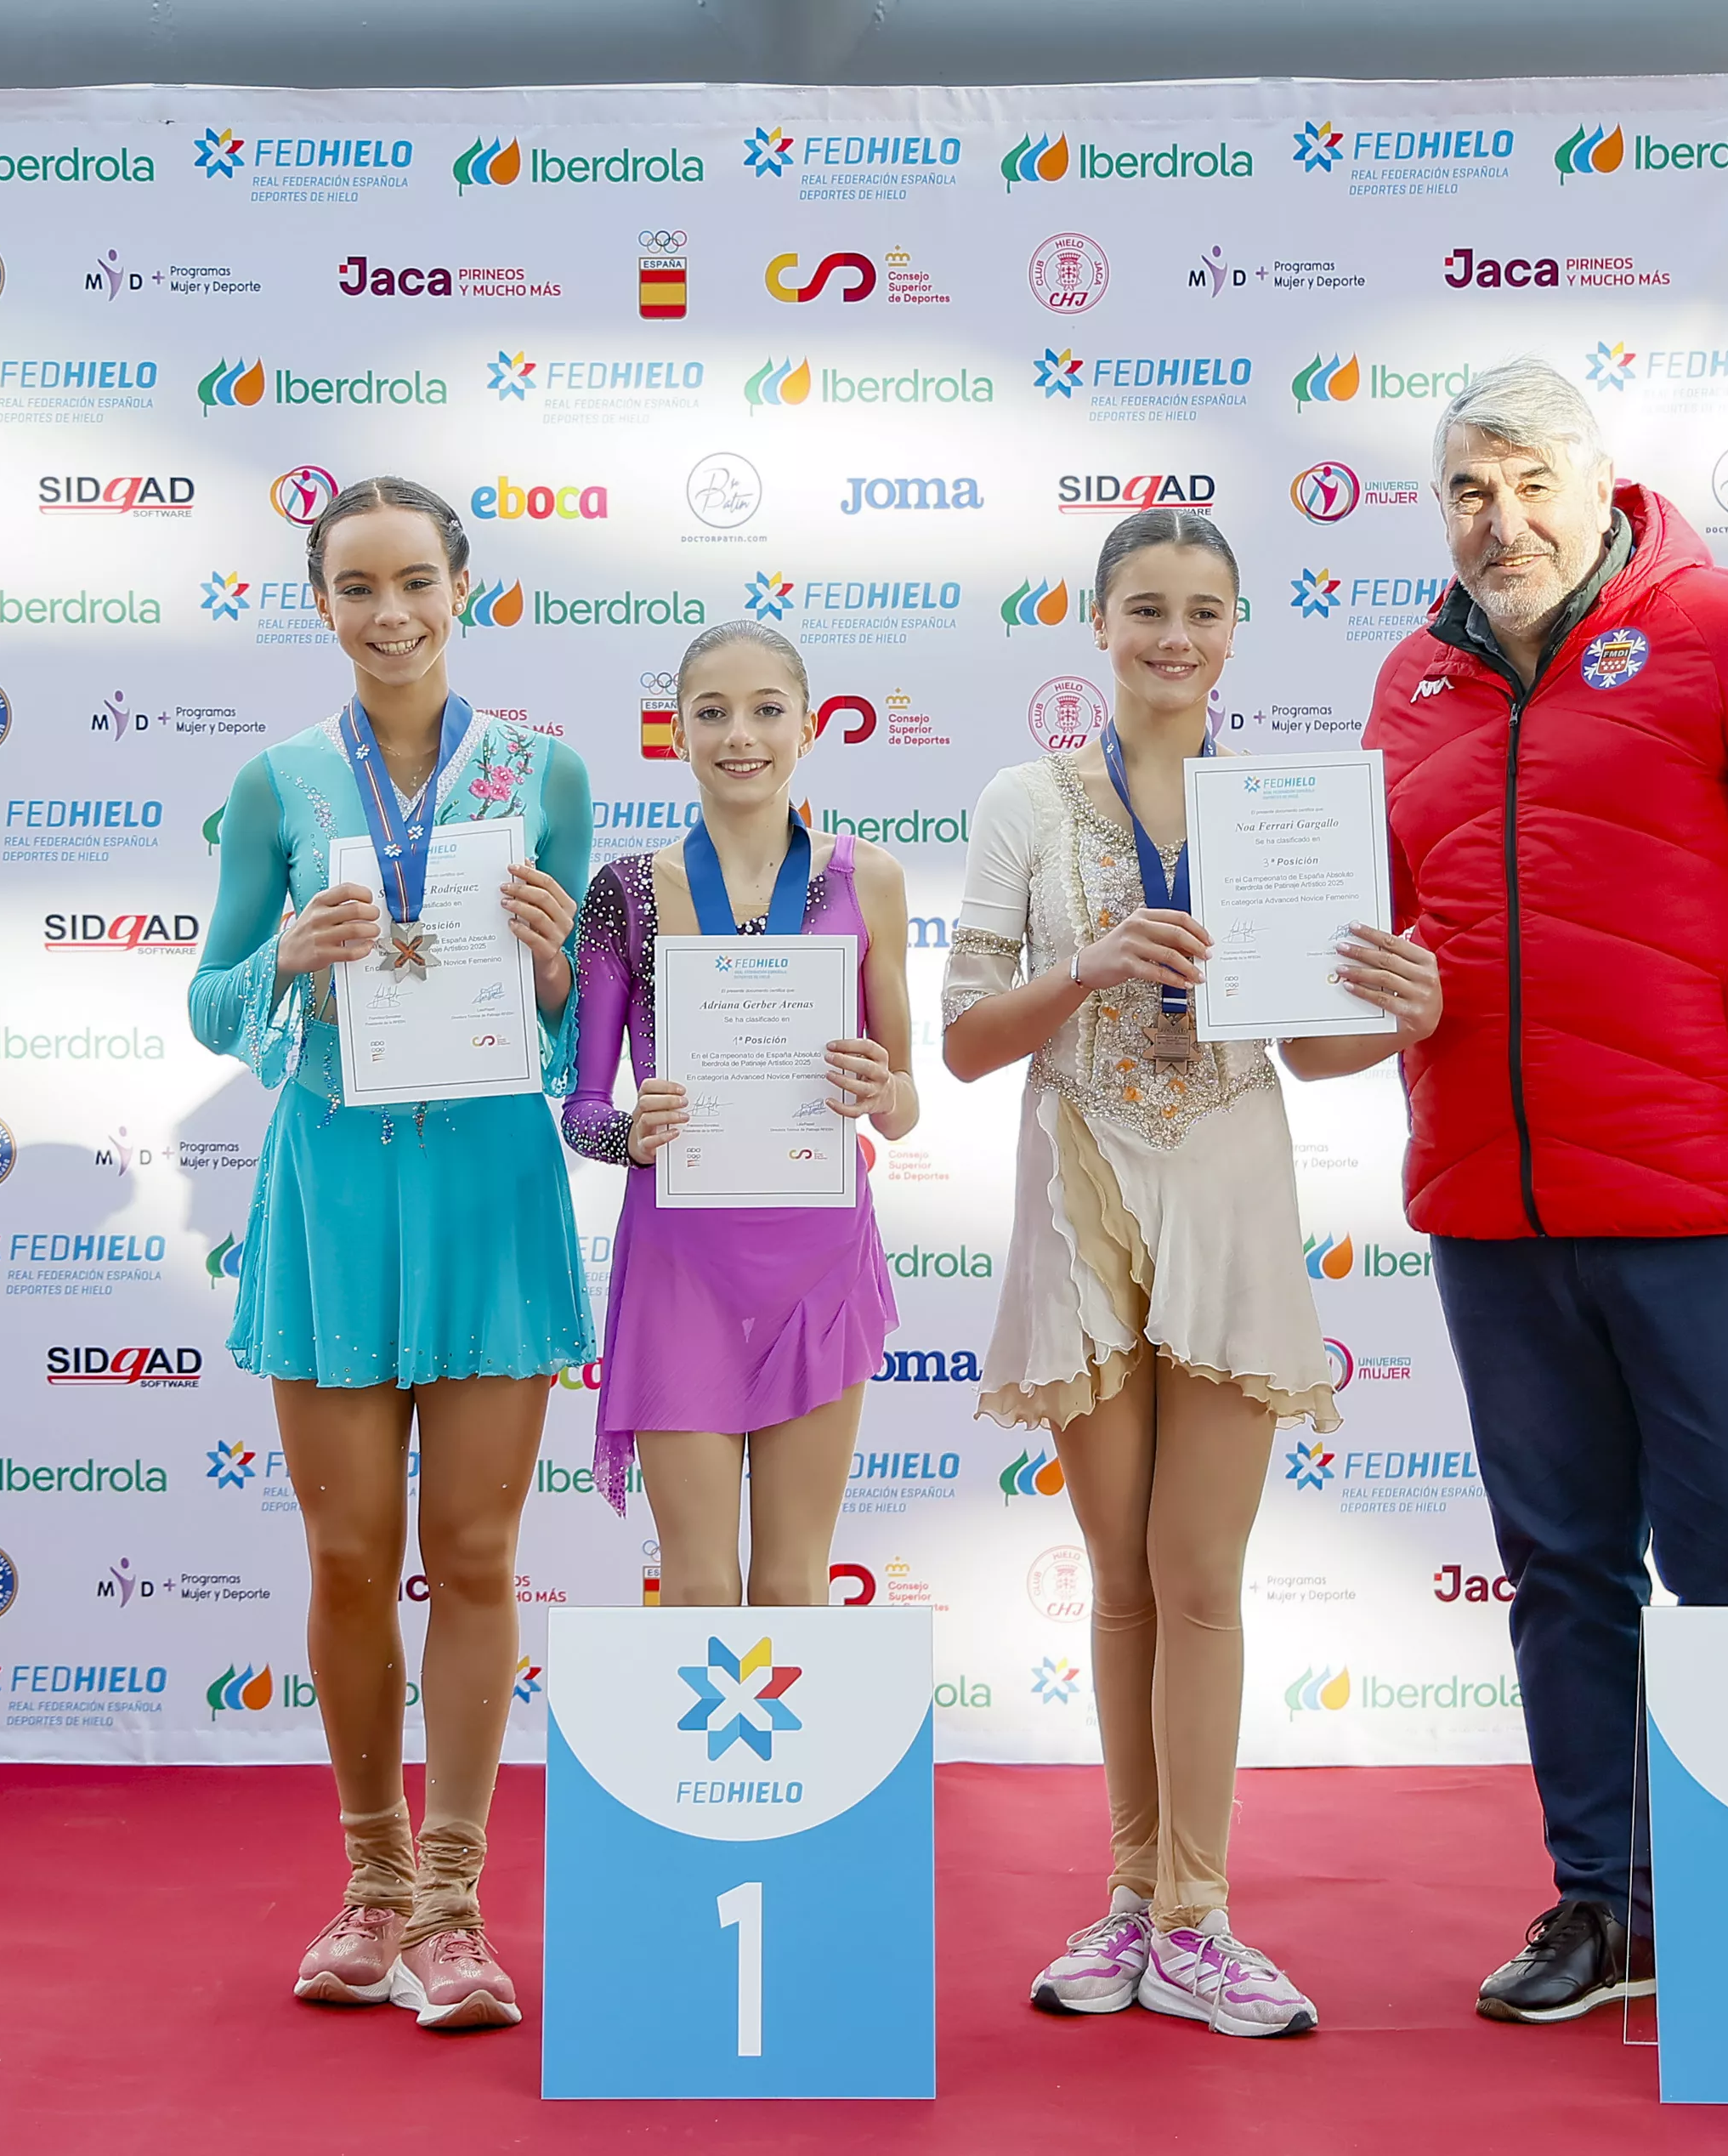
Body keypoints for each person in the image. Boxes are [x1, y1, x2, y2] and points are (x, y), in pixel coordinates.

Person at [1365, 360, 1728, 2023]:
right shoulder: (1410, 681)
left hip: (1709, 1210)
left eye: (1531, 480)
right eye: (1468, 487)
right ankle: (1601, 1904)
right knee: (1559, 1572)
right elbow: (1377, 932)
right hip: (1492, 1212)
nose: (1499, 517)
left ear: (1601, 485)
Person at [944, 508, 1443, 2039]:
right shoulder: (1027, 802)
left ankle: (1201, 1917)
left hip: (1229, 1191)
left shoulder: (1284, 808)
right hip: (1083, 1187)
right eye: (1146, 606)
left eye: (1204, 610)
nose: (1175, 635)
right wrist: (1087, 966)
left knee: (1200, 1574)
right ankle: (1129, 1899)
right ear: (1094, 620)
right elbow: (963, 1039)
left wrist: (1409, 1009)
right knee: (1119, 1576)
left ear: (1238, 631)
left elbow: (1315, 1039)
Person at [187, 475, 593, 2033]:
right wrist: (283, 959)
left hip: (491, 1192)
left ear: (464, 582)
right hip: (334, 1192)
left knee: (479, 1558)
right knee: (352, 1557)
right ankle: (368, 1887)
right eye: (357, 587)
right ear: (322, 604)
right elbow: (213, 1003)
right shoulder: (280, 781)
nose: (391, 612)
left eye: (415, 578)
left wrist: (557, 963)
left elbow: (574, 1034)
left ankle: (453, 1901)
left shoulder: (543, 772)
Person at [563, 621, 918, 1600]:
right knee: (697, 1581)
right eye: (711, 713)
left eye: (766, 710)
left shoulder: (867, 881)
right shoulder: (624, 893)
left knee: (795, 1579)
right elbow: (582, 1110)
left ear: (810, 726)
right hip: (682, 1264)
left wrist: (878, 1089)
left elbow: (906, 1107)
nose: (740, 735)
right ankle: (701, 1762)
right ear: (674, 734)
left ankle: (786, 1762)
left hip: (821, 1260)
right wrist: (630, 1135)